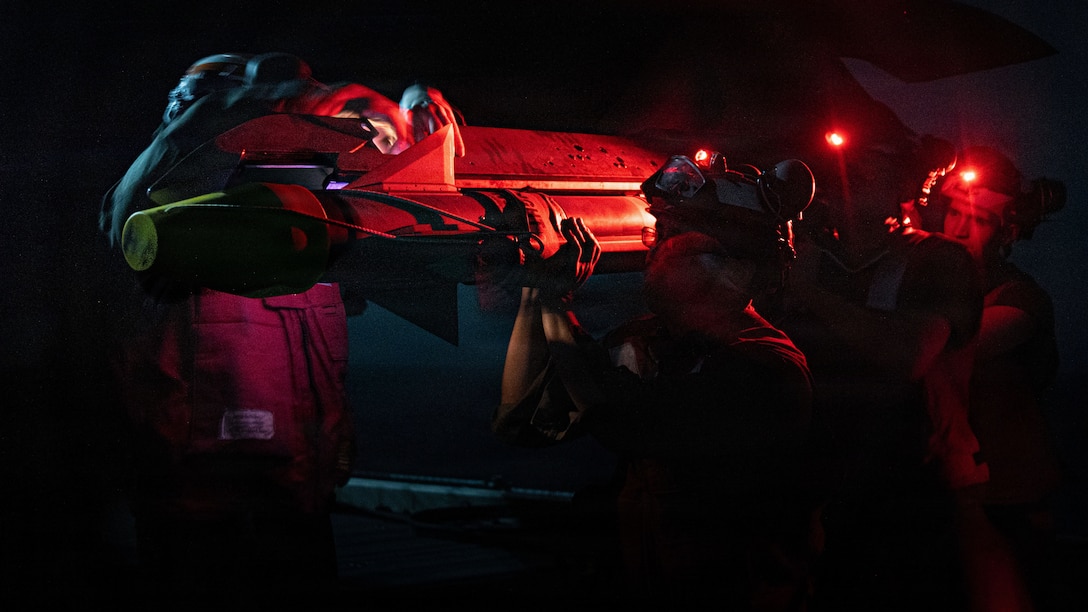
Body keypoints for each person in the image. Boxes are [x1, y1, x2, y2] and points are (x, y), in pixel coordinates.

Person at [97, 52, 416, 609]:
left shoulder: (305, 209)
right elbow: (156, 176)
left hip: (298, 477)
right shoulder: (161, 205)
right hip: (197, 481)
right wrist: (269, 96)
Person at [493, 153, 825, 611]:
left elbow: (625, 419)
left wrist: (553, 296)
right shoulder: (647, 339)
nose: (655, 249)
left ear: (738, 269)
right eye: (659, 233)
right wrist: (532, 294)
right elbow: (527, 422)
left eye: (674, 238)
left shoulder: (768, 370)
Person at [778, 127, 988, 610]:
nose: (845, 183)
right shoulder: (811, 260)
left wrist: (809, 293)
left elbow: (906, 356)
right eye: (837, 173)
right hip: (827, 488)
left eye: (867, 172)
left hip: (913, 494)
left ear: (904, 184)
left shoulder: (938, 260)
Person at [932, 145, 1068, 612]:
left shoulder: (1021, 298)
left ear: (1007, 233)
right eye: (952, 211)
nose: (960, 227)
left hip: (1009, 497)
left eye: (980, 219)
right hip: (948, 490)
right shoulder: (931, 287)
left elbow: (951, 346)